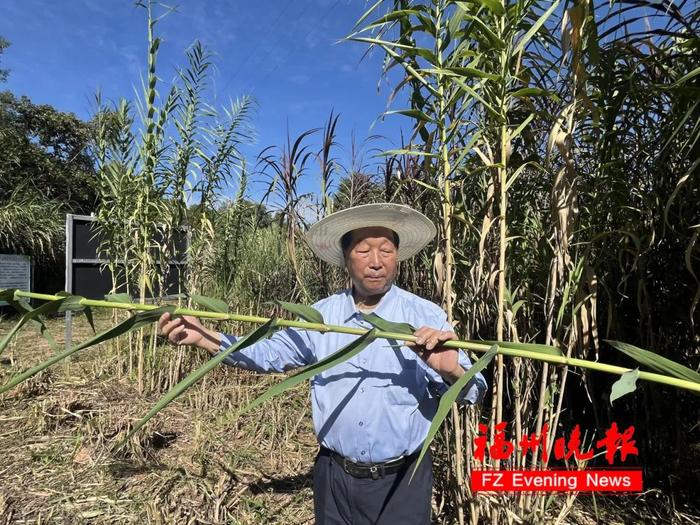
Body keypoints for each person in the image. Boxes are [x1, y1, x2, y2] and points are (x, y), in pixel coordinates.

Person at [159, 203, 488, 524]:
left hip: (403, 479)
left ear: (397, 257)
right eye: (363, 250)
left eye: (386, 251)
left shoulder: (424, 317)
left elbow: (473, 391)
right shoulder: (322, 318)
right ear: (345, 258)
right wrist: (205, 337)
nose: (376, 262)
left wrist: (451, 370)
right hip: (333, 478)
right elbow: (269, 354)